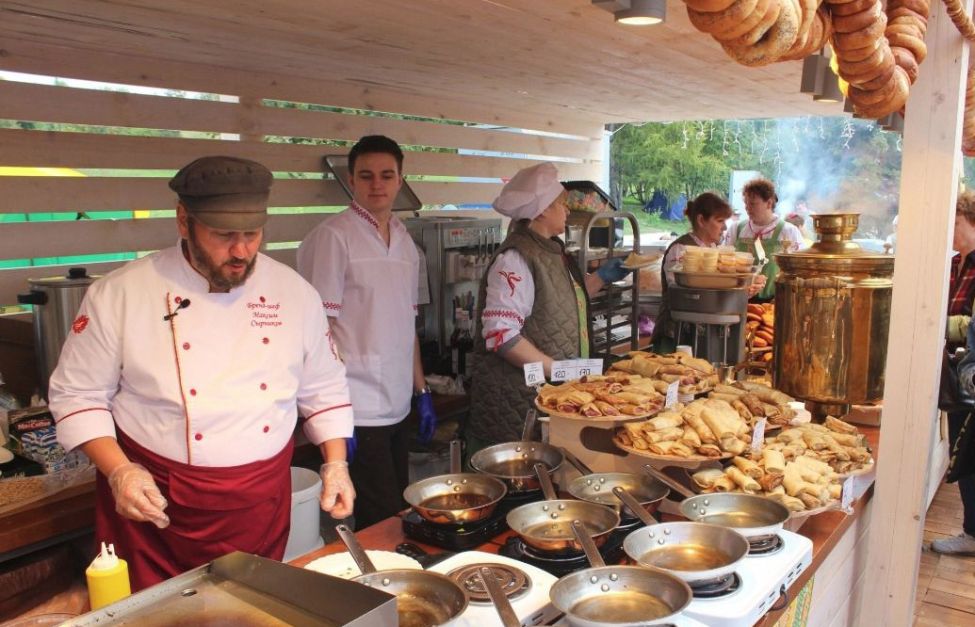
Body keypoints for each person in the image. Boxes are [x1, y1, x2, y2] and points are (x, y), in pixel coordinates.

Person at [48, 156, 355, 591]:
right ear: (182, 221)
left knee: (253, 608)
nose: (241, 251)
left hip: (260, 503)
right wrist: (120, 471)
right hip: (156, 509)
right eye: (224, 235)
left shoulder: (295, 293)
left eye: (252, 235)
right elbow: (77, 396)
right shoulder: (120, 294)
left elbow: (324, 387)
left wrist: (336, 463)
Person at [297, 135, 435, 529]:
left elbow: (407, 324)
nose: (377, 184)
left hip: (397, 399)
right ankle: (383, 584)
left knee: (401, 507)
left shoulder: (407, 243)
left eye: (387, 175)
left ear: (400, 179)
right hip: (355, 403)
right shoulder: (333, 237)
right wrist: (333, 418)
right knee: (382, 518)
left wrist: (421, 391)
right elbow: (317, 333)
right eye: (367, 175)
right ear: (352, 180)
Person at [466, 162, 630, 450]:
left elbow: (559, 302)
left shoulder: (551, 250)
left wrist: (601, 278)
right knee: (524, 483)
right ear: (541, 211)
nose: (566, 212)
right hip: (520, 400)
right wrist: (556, 369)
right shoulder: (515, 258)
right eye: (560, 205)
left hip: (553, 392)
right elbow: (500, 333)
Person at [933, 190, 975, 555]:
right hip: (956, 373)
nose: (951, 229)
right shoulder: (953, 264)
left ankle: (972, 534)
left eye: (956, 223)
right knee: (964, 450)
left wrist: (937, 323)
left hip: (970, 376)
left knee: (971, 453)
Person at [724, 177, 803, 302]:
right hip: (738, 299)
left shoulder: (789, 231)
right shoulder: (736, 229)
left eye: (753, 204)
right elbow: (725, 263)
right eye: (746, 203)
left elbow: (799, 270)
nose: (747, 208)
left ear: (769, 203)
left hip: (775, 301)